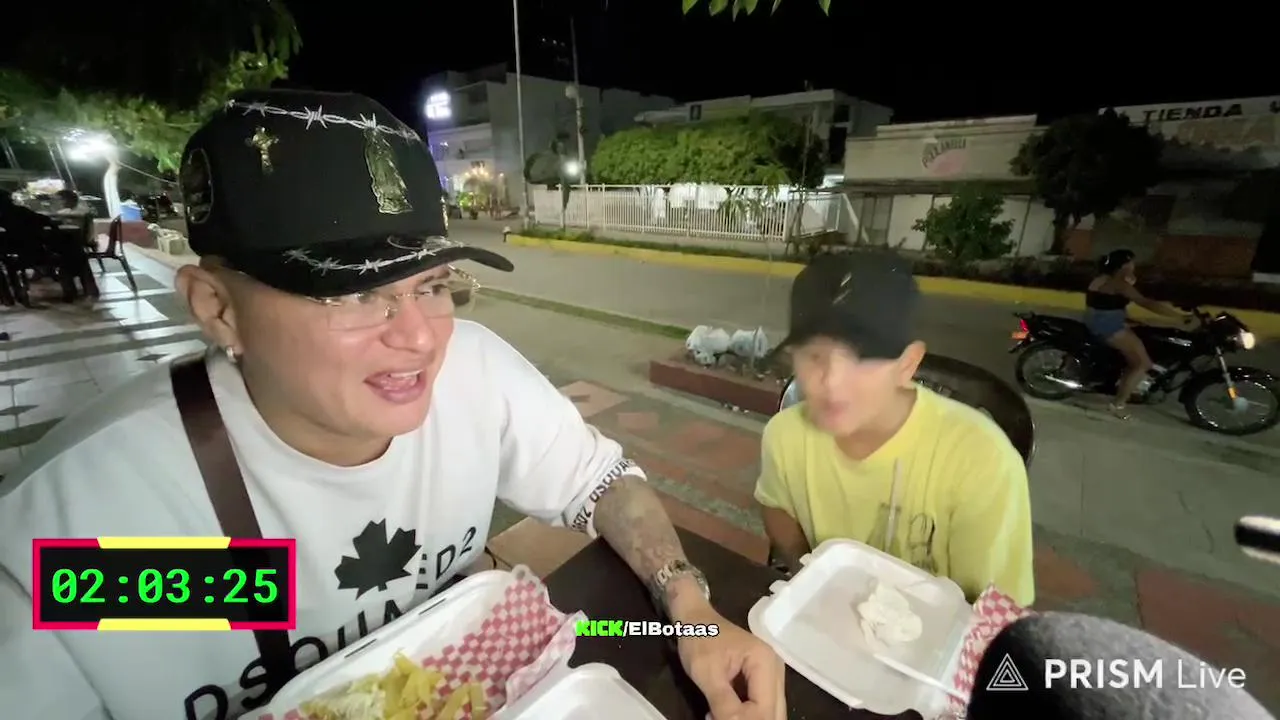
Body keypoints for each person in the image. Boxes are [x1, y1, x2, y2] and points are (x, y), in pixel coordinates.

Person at [0, 90, 784, 720]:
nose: (418, 338)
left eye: (431, 285)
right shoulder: (91, 525)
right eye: (353, 293)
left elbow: (602, 484)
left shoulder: (473, 376)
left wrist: (691, 612)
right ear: (217, 307)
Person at [755, 253, 1035, 606]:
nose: (832, 381)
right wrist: (807, 572)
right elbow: (776, 505)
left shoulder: (982, 461)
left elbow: (997, 610)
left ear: (908, 364)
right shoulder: (785, 436)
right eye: (814, 356)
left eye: (863, 357)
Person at [1084, 249, 1195, 418]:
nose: (1134, 266)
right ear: (1124, 265)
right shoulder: (1119, 283)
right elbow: (1146, 302)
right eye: (1131, 263)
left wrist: (1128, 318)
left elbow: (1106, 303)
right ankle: (1118, 404)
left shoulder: (1102, 279)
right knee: (1142, 363)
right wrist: (1179, 317)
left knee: (1142, 339)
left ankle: (1124, 386)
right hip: (1109, 327)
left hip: (1100, 322)